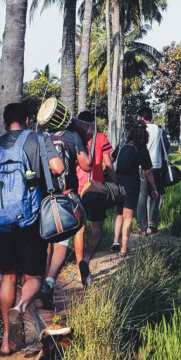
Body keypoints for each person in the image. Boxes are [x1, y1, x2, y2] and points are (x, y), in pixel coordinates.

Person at [0, 101, 64, 356]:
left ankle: (6, 341)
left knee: (8, 277)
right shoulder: (39, 139)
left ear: (5, 123)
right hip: (33, 219)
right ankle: (20, 307)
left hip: (2, 222)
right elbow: (58, 168)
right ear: (28, 120)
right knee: (33, 277)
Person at [38, 122, 91, 307]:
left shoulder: (39, 137)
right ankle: (50, 282)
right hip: (66, 194)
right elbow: (87, 165)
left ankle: (41, 286)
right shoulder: (72, 136)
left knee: (46, 241)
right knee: (62, 241)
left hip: (43, 197)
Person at [73, 110, 117, 283]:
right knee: (96, 228)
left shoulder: (75, 138)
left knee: (78, 229)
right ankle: (87, 260)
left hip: (77, 189)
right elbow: (109, 164)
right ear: (92, 122)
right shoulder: (100, 137)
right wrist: (115, 183)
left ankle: (79, 270)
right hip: (96, 189)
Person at [112, 122, 157, 256]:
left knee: (119, 212)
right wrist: (154, 188)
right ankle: (124, 249)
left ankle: (115, 241)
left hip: (118, 181)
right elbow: (148, 172)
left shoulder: (121, 145)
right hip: (132, 184)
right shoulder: (142, 149)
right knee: (128, 216)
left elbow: (110, 160)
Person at [136, 105, 170, 235]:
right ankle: (152, 222)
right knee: (156, 194)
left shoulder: (139, 129)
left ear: (143, 118)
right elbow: (166, 146)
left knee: (142, 195)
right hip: (157, 165)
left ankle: (142, 227)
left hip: (141, 166)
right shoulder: (159, 129)